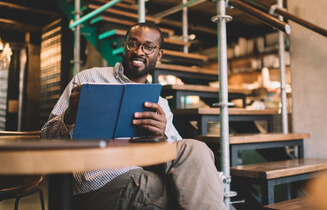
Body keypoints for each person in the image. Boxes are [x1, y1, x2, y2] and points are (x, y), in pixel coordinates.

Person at [41, 22, 226, 210]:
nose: (139, 52)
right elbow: (47, 138)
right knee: (165, 188)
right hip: (100, 181)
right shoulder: (87, 80)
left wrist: (160, 136)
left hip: (144, 166)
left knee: (196, 149)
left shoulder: (160, 103)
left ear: (158, 54)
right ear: (124, 46)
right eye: (133, 43)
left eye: (148, 47)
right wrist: (70, 115)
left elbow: (179, 159)